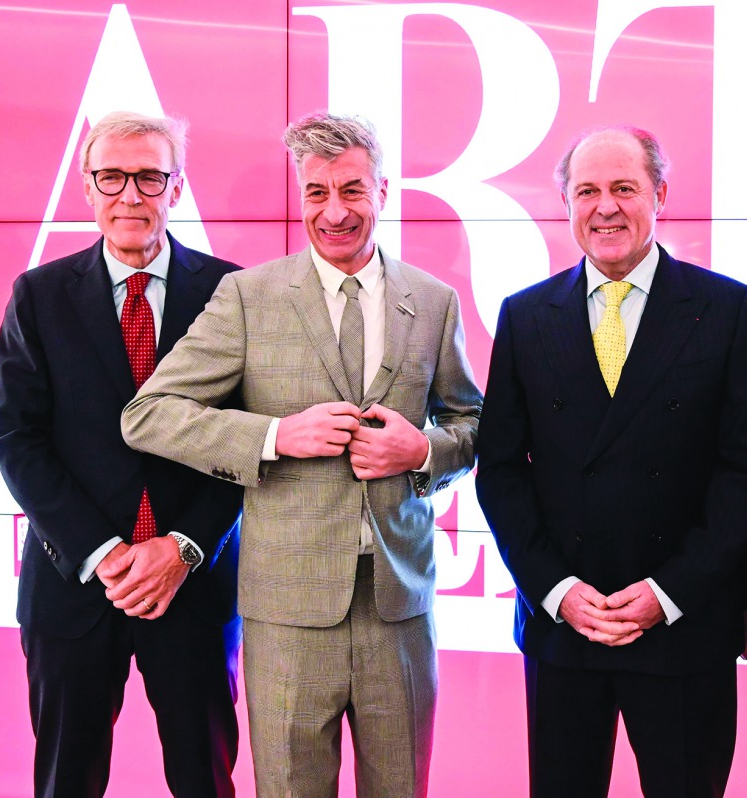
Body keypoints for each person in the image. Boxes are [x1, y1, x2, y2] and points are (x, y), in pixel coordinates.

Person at [121, 110, 482, 798]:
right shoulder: (248, 298)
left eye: (351, 189)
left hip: (398, 609)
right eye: (316, 192)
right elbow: (148, 416)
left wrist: (422, 449)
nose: (334, 210)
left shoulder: (434, 302)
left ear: (384, 191)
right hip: (286, 614)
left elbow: (471, 424)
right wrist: (273, 437)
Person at [475, 126, 747, 798]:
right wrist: (555, 590)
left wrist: (668, 594)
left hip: (683, 628)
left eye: (623, 188)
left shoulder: (728, 309)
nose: (605, 207)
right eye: (587, 191)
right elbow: (500, 470)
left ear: (660, 195)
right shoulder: (526, 317)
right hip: (564, 630)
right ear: (565, 201)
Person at [0, 111, 244, 797]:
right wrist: (105, 553)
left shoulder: (235, 294)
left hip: (192, 588)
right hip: (73, 587)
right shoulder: (38, 296)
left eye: (150, 177)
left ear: (178, 187)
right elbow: (16, 435)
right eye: (112, 176)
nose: (131, 195)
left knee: (205, 780)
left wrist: (183, 546)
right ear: (87, 187)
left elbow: (251, 439)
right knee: (66, 781)